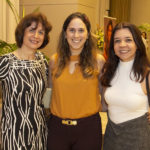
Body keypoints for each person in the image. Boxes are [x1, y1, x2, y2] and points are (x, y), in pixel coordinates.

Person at [47, 12, 105, 150]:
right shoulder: (54, 61)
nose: (76, 35)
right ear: (65, 33)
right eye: (71, 30)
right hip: (57, 129)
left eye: (81, 30)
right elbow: (51, 94)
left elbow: (106, 97)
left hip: (88, 130)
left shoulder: (98, 61)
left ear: (88, 33)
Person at [0, 12, 52, 149]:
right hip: (14, 132)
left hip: (40, 131)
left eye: (41, 32)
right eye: (32, 30)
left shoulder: (42, 61)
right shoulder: (6, 61)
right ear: (22, 32)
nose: (36, 36)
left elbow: (47, 96)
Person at [100, 22, 150, 150]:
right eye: (117, 41)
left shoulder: (146, 74)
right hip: (111, 136)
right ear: (113, 47)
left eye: (128, 40)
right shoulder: (108, 71)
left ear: (137, 44)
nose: (122, 45)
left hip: (138, 138)